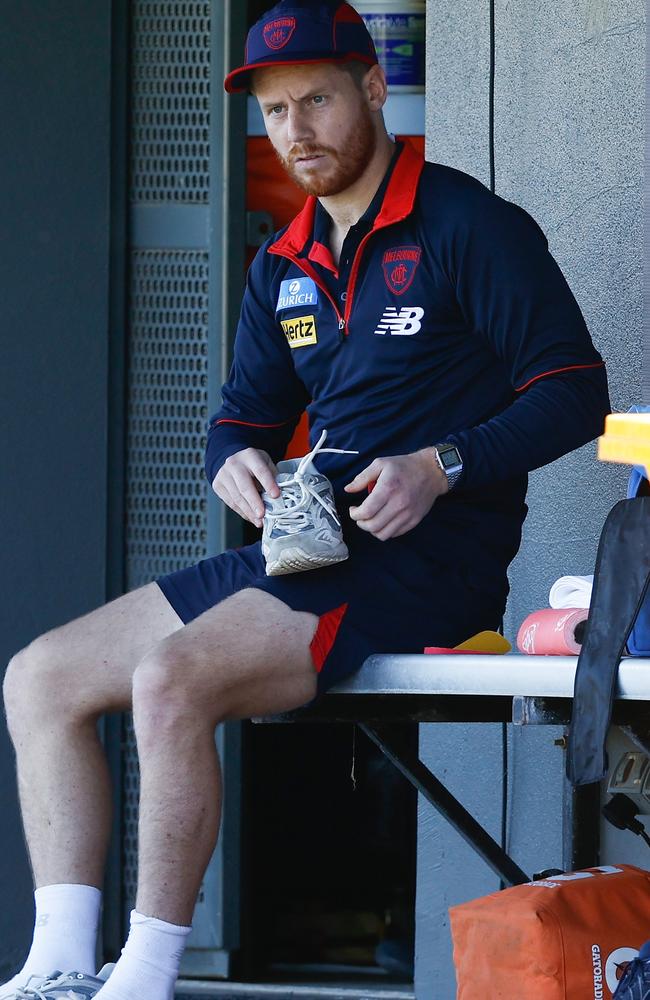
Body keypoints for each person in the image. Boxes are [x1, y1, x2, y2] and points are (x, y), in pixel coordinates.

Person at [1, 1, 610, 997]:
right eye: (277, 112)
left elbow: (571, 390)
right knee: (39, 677)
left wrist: (439, 464)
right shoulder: (282, 260)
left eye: (317, 99)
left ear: (373, 89)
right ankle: (61, 964)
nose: (297, 131)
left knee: (167, 680)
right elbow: (240, 417)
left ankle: (143, 977)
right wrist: (229, 461)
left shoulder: (466, 224)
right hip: (302, 551)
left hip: (419, 567)